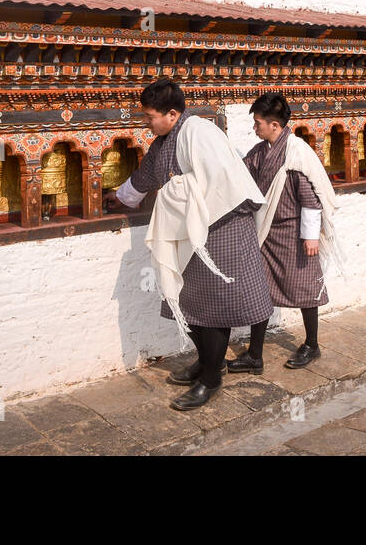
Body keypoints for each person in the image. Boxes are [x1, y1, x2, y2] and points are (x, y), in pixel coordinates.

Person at [105, 78, 274, 411]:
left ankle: (211, 380)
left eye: (149, 116)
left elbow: (224, 182)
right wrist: (120, 198)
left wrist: (180, 191)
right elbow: (146, 177)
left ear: (171, 113)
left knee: (215, 309)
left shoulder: (200, 132)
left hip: (224, 227)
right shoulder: (164, 142)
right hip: (194, 232)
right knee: (190, 303)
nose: (146, 122)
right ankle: (206, 362)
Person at [235, 92, 340, 371]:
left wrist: (311, 236)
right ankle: (254, 354)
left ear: (274, 125)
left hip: (295, 235)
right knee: (261, 292)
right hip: (266, 233)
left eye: (258, 123)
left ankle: (312, 344)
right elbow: (242, 176)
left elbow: (310, 197)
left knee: (306, 289)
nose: (254, 128)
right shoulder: (260, 153)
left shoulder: (296, 153)